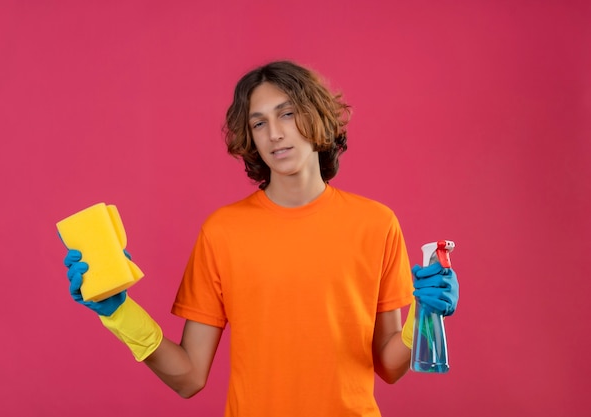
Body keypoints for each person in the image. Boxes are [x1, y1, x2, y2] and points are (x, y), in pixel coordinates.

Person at [63, 60, 459, 417]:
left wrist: (425, 315)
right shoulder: (223, 231)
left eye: (287, 114)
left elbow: (389, 366)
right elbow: (188, 378)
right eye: (259, 123)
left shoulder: (376, 223)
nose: (274, 134)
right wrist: (119, 314)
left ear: (317, 119)